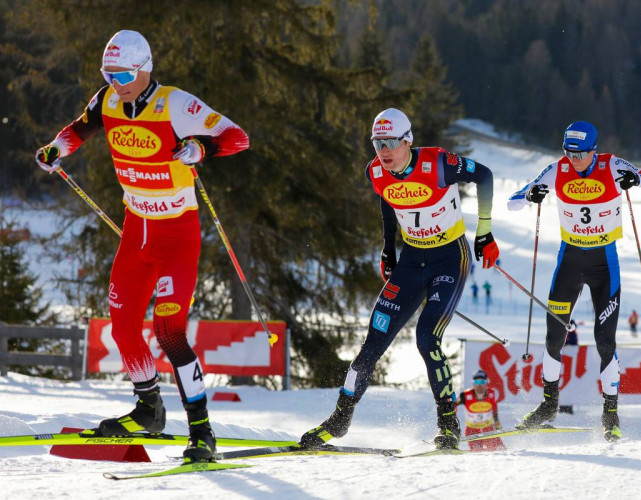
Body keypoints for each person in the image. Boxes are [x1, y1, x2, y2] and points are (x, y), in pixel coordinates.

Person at [34, 30, 249, 462]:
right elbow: (79, 129)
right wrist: (57, 148)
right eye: (108, 74)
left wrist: (199, 148)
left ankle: (202, 430)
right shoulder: (107, 100)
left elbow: (237, 137)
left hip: (177, 234)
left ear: (145, 66)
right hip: (137, 232)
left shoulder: (176, 104)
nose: (117, 82)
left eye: (124, 73)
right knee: (122, 325)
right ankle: (148, 406)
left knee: (169, 332)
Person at [299, 108, 498, 450]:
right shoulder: (376, 171)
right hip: (411, 261)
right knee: (372, 343)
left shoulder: (438, 163)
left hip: (450, 259)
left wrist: (485, 232)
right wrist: (388, 249)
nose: (384, 151)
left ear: (408, 141)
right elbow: (387, 203)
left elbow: (485, 176)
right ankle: (340, 418)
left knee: (426, 338)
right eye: (378, 143)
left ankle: (448, 424)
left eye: (391, 142)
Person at [507, 121, 641, 442]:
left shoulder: (612, 165)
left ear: (594, 149)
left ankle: (610, 412)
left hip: (603, 264)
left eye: (580, 153)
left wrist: (636, 180)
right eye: (569, 152)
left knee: (604, 340)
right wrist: (530, 193)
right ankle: (548, 405)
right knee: (554, 336)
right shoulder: (556, 169)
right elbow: (513, 201)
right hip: (569, 262)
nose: (574, 159)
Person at [457, 370, 505, 452]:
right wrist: (452, 422)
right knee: (478, 453)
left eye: (482, 382)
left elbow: (494, 406)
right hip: (472, 430)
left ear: (486, 383)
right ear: (473, 383)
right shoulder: (465, 395)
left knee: (500, 450)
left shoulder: (491, 393)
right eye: (477, 382)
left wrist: (496, 421)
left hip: (488, 429)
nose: (479, 385)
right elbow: (453, 405)